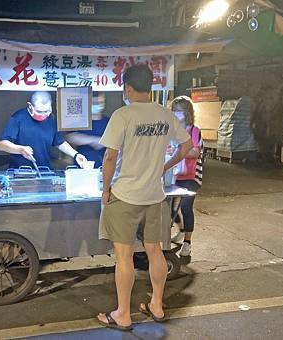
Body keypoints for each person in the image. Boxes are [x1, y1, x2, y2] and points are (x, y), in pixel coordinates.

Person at [96, 64, 192, 331]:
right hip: (154, 196)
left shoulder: (123, 115)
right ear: (150, 86)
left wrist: (105, 190)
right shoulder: (165, 115)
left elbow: (110, 157)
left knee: (124, 257)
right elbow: (187, 146)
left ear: (127, 88)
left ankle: (123, 315)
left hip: (125, 195)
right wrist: (164, 167)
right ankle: (157, 305)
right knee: (155, 252)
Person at [0, 91, 87, 169]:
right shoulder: (18, 118)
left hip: (45, 170)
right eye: (40, 112)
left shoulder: (51, 119)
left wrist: (75, 155)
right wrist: (20, 149)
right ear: (30, 106)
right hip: (20, 171)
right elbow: (2, 145)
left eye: (47, 111)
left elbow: (59, 142)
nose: (44, 115)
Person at [170, 96, 204, 257]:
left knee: (185, 207)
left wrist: (177, 151)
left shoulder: (194, 130)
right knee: (169, 208)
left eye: (180, 111)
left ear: (187, 112)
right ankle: (182, 229)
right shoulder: (172, 131)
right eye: (174, 110)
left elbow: (195, 152)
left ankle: (187, 243)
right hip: (174, 175)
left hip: (191, 177)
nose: (177, 114)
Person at [65, 92, 109, 168]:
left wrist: (103, 142)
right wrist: (93, 140)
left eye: (98, 103)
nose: (95, 105)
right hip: (81, 166)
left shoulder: (109, 122)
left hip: (103, 167)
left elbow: (116, 140)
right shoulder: (79, 121)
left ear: (103, 103)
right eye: (93, 103)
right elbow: (70, 138)